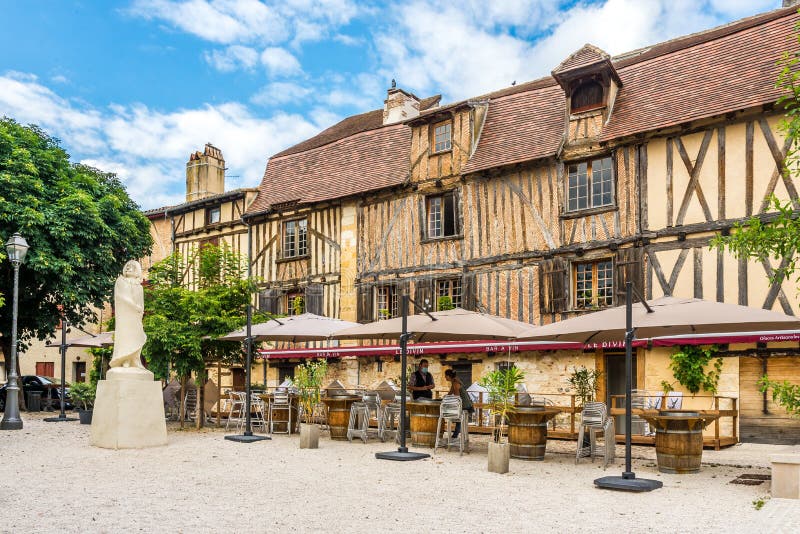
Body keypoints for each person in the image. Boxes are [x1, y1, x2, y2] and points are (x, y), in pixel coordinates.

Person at [444, 369, 474, 439]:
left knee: (456, 416)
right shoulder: (454, 381)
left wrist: (448, 402)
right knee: (457, 417)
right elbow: (450, 393)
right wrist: (445, 398)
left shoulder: (455, 383)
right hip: (465, 404)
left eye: (445, 376)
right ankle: (455, 435)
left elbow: (457, 398)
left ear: (448, 376)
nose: (445, 377)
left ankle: (455, 435)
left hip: (465, 405)